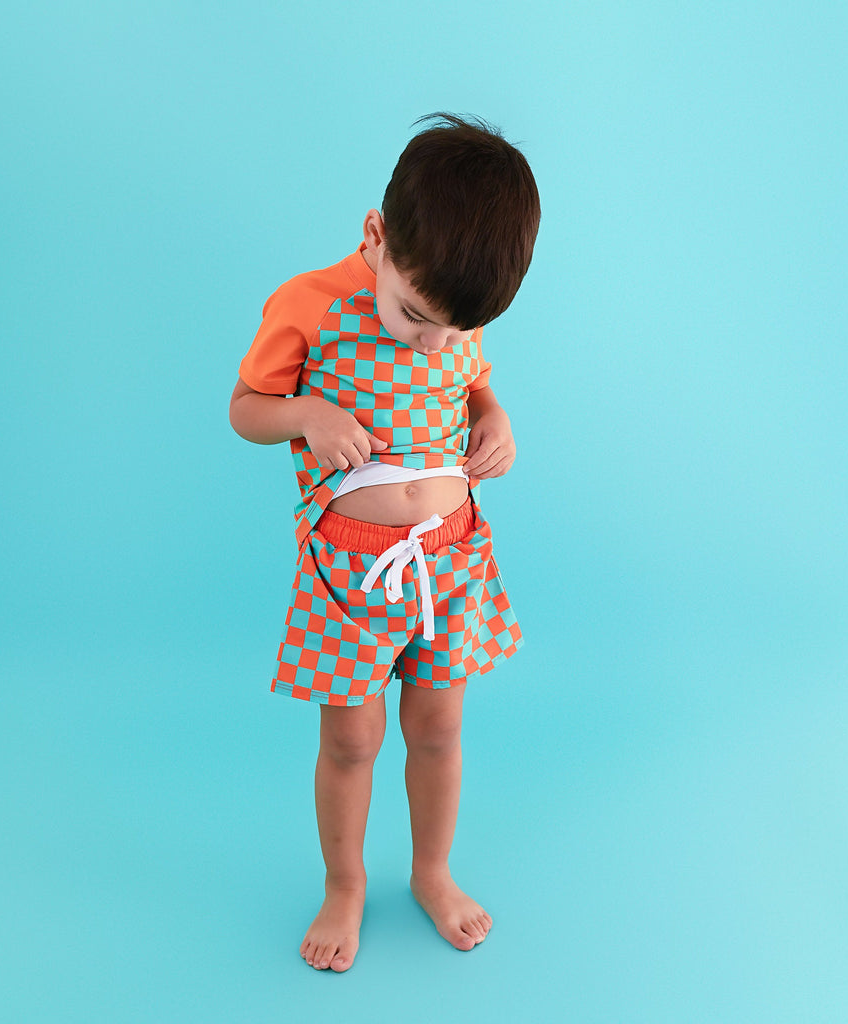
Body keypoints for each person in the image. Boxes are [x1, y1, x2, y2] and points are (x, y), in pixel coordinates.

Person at [230, 113, 540, 972]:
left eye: (452, 329)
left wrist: (495, 418)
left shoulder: (456, 309)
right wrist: (306, 413)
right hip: (350, 576)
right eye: (414, 316)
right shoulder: (310, 305)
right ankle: (345, 884)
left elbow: (473, 384)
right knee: (351, 741)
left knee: (439, 729)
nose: (433, 341)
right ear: (375, 236)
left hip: (451, 559)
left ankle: (433, 872)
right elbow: (246, 409)